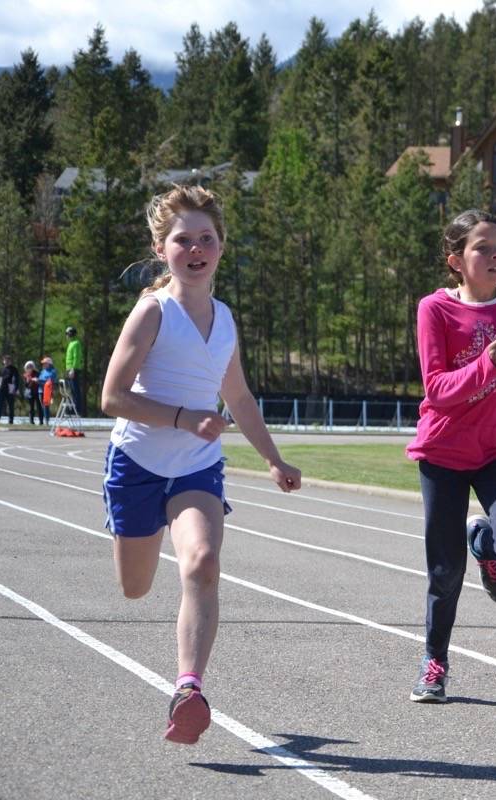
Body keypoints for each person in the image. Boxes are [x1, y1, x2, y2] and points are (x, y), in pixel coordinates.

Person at [101, 185, 302, 745]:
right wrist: (184, 416)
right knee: (135, 588)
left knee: (204, 562)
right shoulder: (152, 313)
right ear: (161, 248)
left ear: (220, 247)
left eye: (205, 239)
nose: (195, 248)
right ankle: (138, 538)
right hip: (137, 462)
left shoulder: (226, 318)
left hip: (197, 468)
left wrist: (273, 459)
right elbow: (112, 398)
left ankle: (188, 687)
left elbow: (237, 399)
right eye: (182, 239)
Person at [405, 209, 496, 703]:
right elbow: (438, 389)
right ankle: (434, 662)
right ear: (456, 260)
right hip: (443, 451)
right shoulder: (435, 310)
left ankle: (486, 544)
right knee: (444, 573)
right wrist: (488, 364)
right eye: (483, 248)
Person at [65, 324, 86, 416]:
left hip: (73, 370)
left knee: (75, 390)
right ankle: (72, 408)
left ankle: (77, 410)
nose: (66, 336)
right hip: (69, 369)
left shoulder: (76, 343)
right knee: (71, 391)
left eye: (67, 334)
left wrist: (73, 369)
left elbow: (76, 357)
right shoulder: (70, 344)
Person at [0, 354, 19, 424]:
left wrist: (15, 389)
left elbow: (17, 380)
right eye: (5, 360)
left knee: (11, 406)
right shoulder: (1, 369)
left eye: (8, 360)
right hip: (1, 389)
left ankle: (11, 421)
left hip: (10, 390)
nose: (6, 361)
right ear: (3, 361)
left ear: (10, 361)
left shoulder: (14, 369)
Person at [38, 355, 58, 425]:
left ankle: (47, 420)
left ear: (49, 364)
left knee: (46, 405)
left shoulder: (53, 371)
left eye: (45, 363)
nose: (43, 364)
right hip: (40, 390)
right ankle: (44, 420)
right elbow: (40, 379)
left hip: (47, 391)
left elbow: (50, 380)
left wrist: (39, 380)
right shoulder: (42, 371)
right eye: (43, 363)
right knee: (42, 405)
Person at [22, 360, 43, 424]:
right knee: (31, 408)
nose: (29, 368)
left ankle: (41, 421)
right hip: (30, 393)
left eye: (31, 366)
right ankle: (31, 421)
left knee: (39, 407)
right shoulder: (25, 375)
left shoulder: (37, 373)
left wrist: (36, 380)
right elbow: (26, 385)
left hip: (37, 392)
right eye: (28, 367)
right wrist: (28, 381)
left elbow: (40, 381)